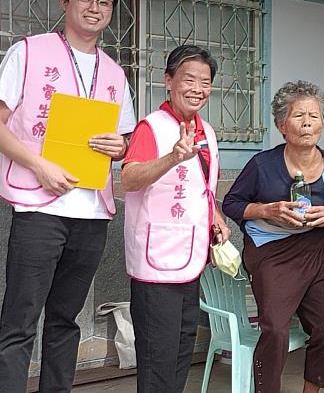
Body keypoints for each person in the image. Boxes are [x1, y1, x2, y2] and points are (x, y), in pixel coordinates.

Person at [0, 0, 136, 393]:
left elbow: (124, 143)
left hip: (92, 211)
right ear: (65, 2)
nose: (95, 8)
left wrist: (118, 148)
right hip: (38, 207)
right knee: (20, 320)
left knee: (66, 320)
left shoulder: (115, 72)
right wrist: (40, 165)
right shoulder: (29, 51)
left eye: (104, 2)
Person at [222, 80, 324, 393]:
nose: (307, 122)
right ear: (282, 125)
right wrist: (267, 210)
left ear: (323, 123)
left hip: (313, 249)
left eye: (314, 115)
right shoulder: (262, 165)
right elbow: (231, 203)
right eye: (298, 116)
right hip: (270, 251)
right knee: (276, 330)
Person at [120, 45, 230, 393]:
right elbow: (129, 179)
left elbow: (203, 188)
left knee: (183, 346)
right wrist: (171, 158)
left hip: (191, 257)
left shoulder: (207, 132)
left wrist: (217, 218)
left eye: (205, 81)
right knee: (158, 353)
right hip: (157, 261)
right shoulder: (151, 127)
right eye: (189, 79)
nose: (198, 88)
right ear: (168, 81)